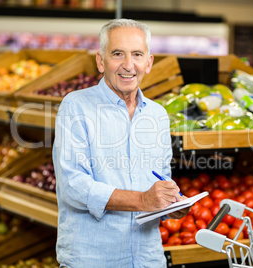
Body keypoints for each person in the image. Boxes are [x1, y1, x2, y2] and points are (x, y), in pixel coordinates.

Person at [52, 18, 189, 267]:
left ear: (149, 63)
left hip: (148, 258)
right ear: (100, 61)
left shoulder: (157, 114)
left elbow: (161, 178)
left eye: (137, 54)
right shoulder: (76, 106)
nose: (128, 65)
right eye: (118, 54)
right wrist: (142, 200)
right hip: (92, 259)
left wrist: (171, 203)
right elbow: (73, 184)